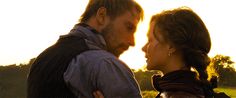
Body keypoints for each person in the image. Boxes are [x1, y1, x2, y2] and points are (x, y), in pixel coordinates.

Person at [27, 0, 144, 98]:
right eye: (129, 28)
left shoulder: (42, 60)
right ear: (102, 16)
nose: (132, 42)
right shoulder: (105, 64)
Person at [142, 7, 217, 98]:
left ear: (171, 46)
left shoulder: (179, 95)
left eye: (150, 40)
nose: (143, 48)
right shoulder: (182, 91)